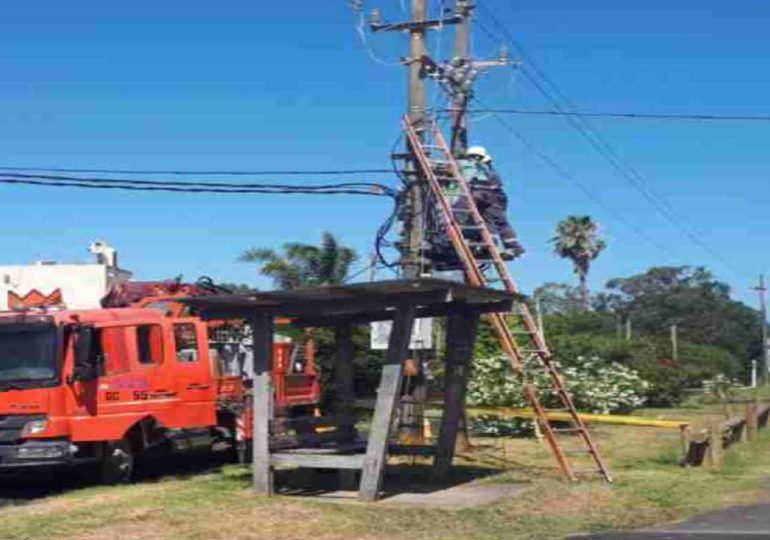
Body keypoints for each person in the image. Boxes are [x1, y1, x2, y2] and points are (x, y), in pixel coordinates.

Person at [456, 146, 525, 260]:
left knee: (465, 215)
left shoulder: (470, 166)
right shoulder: (489, 169)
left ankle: (491, 246)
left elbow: (469, 180)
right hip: (495, 198)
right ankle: (508, 247)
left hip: (481, 194)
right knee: (494, 222)